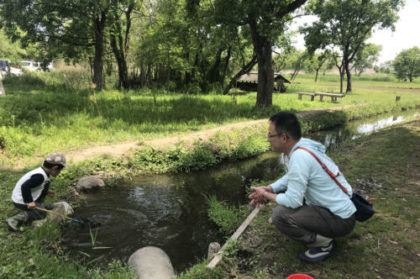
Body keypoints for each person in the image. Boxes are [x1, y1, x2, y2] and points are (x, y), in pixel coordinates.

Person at [249, 111, 356, 263]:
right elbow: (293, 175)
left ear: (284, 137)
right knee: (284, 208)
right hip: (340, 211)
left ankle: (324, 244)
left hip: (341, 220)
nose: (268, 140)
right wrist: (270, 188)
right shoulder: (302, 146)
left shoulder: (300, 157)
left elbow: (294, 201)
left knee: (279, 216)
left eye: (270, 135)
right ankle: (319, 231)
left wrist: (265, 195)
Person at [5, 152, 69, 231]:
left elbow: (36, 185)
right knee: (41, 213)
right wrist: (29, 202)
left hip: (25, 197)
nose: (59, 173)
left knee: (42, 200)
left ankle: (39, 206)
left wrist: (47, 191)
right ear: (55, 168)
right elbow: (25, 186)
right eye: (59, 170)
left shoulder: (43, 173)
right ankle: (14, 219)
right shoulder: (39, 176)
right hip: (20, 200)